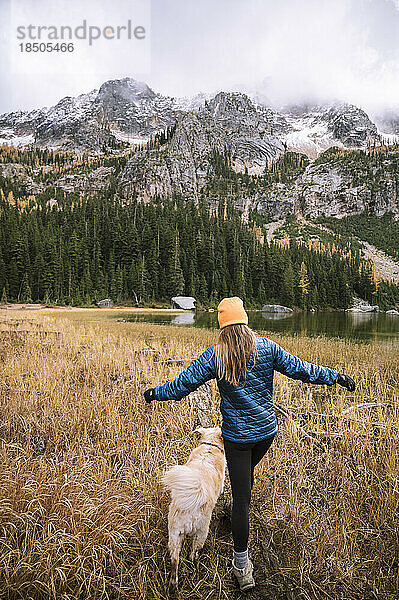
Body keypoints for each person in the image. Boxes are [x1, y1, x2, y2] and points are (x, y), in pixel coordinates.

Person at [144, 297, 355, 591]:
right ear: (244, 321)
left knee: (242, 498)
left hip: (237, 440)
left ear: (222, 326)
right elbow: (302, 369)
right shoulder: (267, 347)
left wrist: (154, 393)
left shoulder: (215, 356)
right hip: (265, 434)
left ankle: (242, 567)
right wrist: (337, 377)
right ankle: (238, 524)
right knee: (243, 485)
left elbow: (182, 385)